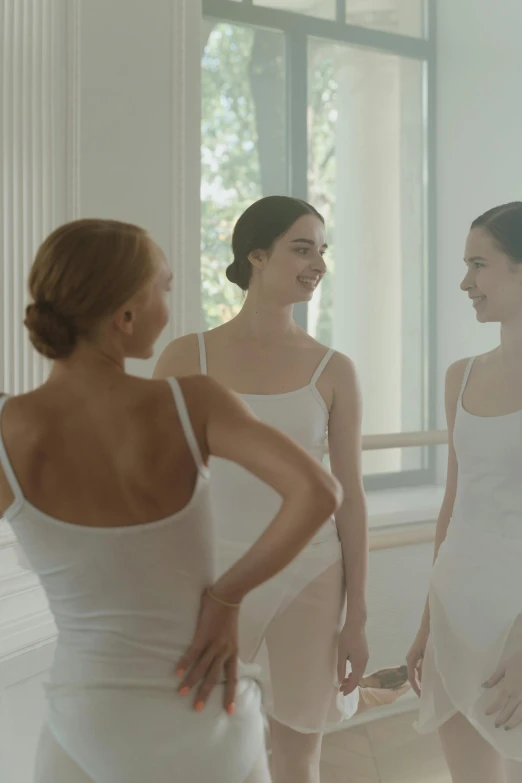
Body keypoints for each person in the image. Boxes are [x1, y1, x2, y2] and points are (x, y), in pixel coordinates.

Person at [0, 218, 344, 783]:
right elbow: (317, 490)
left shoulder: (9, 429)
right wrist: (227, 598)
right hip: (199, 711)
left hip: (81, 724)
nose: (168, 304)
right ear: (126, 315)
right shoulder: (192, 403)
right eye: (164, 287)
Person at [155, 196, 369, 783]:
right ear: (256, 254)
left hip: (313, 573)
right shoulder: (185, 357)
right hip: (212, 578)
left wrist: (358, 616)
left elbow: (349, 494)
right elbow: (160, 488)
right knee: (207, 742)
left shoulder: (333, 369)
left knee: (299, 750)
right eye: (302, 248)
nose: (317, 262)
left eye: (322, 250)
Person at [407, 202, 522, 783]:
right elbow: (454, 507)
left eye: (479, 264)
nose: (464, 282)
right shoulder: (462, 375)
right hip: (457, 606)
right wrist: (428, 621)